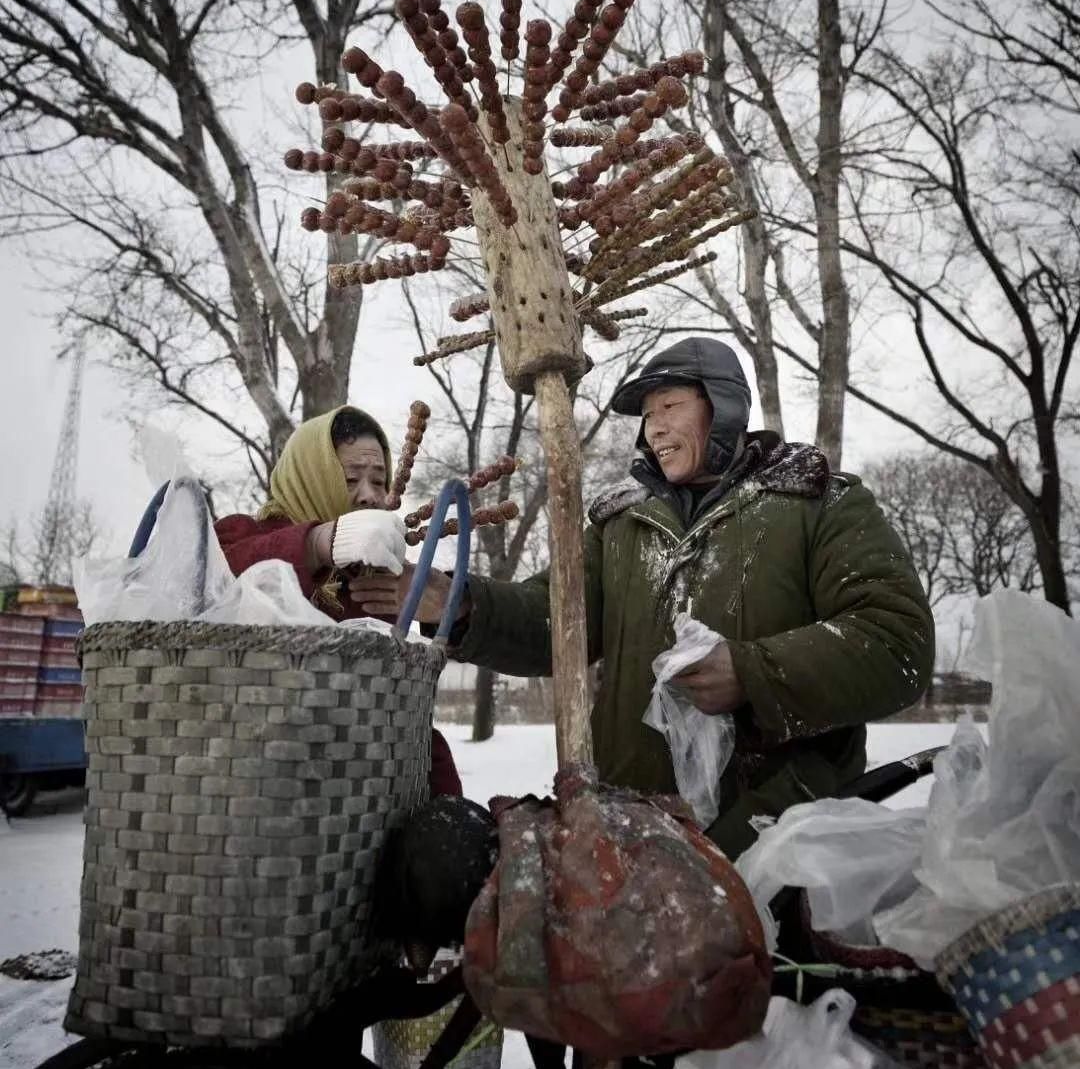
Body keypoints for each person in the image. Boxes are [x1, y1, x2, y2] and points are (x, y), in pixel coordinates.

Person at [357, 338, 934, 858]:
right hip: (629, 830)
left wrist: (752, 672)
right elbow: (555, 624)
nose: (654, 427)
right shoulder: (619, 524)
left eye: (671, 407)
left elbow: (896, 642)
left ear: (725, 408)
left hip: (773, 838)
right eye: (647, 415)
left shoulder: (819, 504)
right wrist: (460, 605)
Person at [215, 403, 461, 799]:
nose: (369, 496)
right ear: (310, 478)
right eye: (350, 479)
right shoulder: (242, 535)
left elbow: (406, 718)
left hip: (357, 797)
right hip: (258, 785)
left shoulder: (373, 582)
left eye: (379, 481)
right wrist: (317, 542)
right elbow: (218, 579)